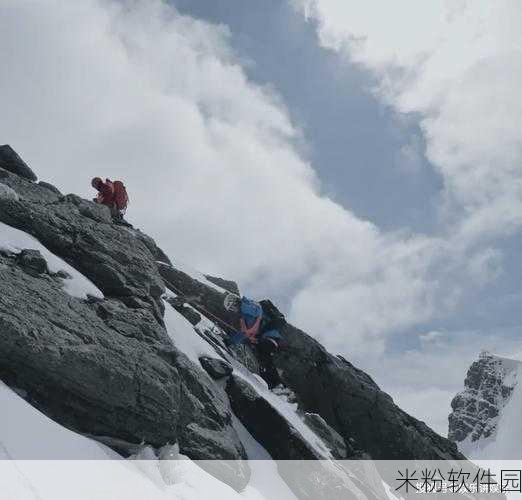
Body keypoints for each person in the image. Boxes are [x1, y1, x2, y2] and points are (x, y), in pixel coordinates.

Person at [224, 294, 285, 389]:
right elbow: (244, 333)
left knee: (265, 356)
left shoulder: (246, 307)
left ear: (236, 303)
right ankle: (273, 384)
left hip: (270, 335)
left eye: (232, 307)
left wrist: (231, 341)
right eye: (231, 309)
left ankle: (277, 384)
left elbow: (257, 311)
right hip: (267, 336)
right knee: (263, 358)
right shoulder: (244, 315)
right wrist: (231, 341)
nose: (233, 311)